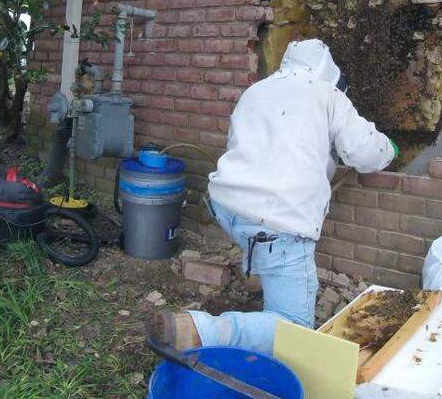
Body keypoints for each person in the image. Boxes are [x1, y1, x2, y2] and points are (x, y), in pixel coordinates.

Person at [148, 39, 397, 354]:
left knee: (261, 240)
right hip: (277, 223)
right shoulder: (328, 95)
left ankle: (264, 275)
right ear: (328, 70)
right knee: (293, 327)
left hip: (227, 206)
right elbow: (364, 151)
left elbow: (239, 143)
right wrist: (391, 148)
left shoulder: (255, 91)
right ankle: (203, 330)